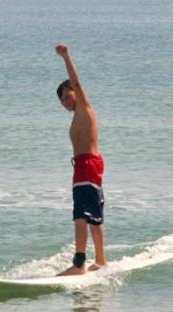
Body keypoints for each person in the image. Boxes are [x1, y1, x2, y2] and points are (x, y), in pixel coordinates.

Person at [55, 43, 107, 276]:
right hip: (88, 166)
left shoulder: (85, 108)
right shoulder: (78, 116)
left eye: (67, 96)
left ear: (76, 93)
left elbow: (76, 81)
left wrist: (66, 56)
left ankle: (79, 264)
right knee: (93, 217)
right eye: (62, 100)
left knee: (80, 217)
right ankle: (101, 261)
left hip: (87, 166)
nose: (65, 101)